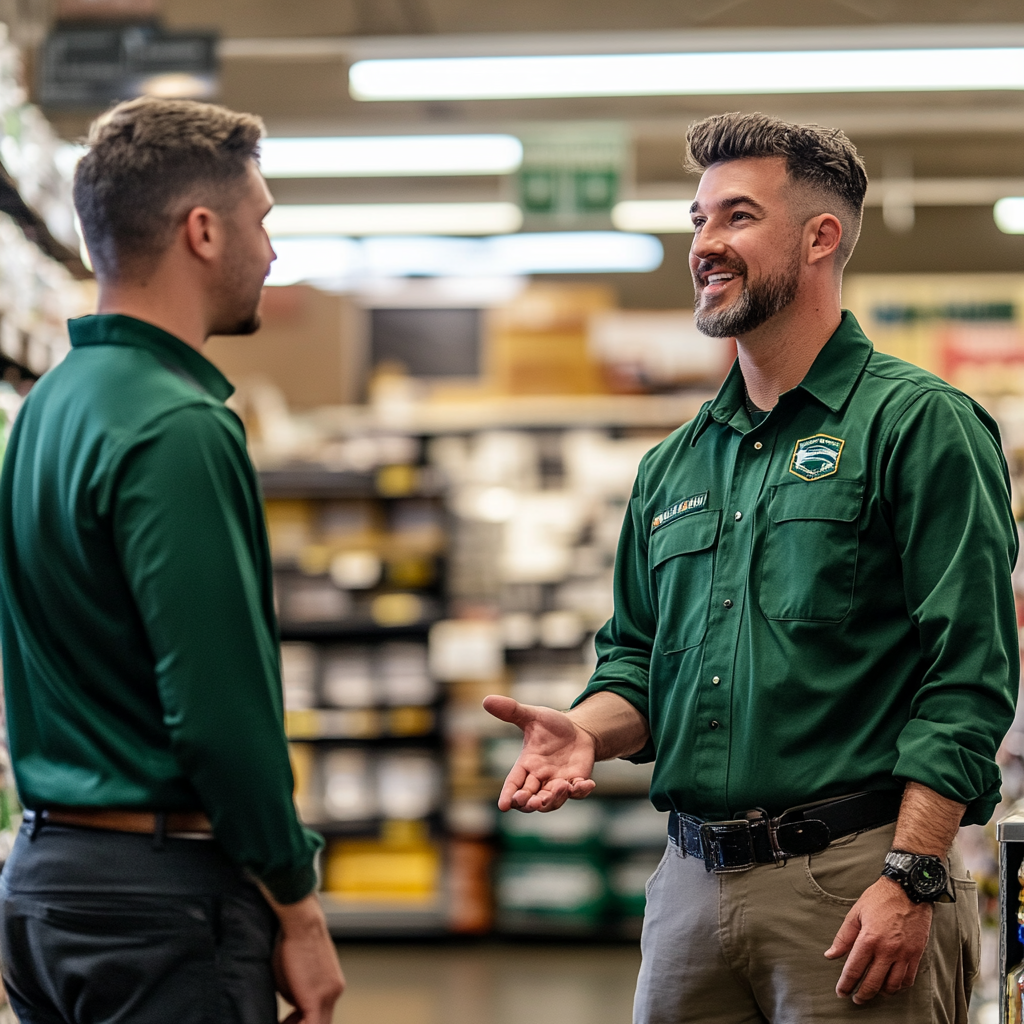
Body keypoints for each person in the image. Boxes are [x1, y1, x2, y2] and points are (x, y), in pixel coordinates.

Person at [485, 111, 1018, 1023]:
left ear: (821, 237)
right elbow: (638, 664)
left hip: (856, 883)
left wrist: (914, 870)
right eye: (697, 220)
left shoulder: (917, 425)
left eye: (736, 216)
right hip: (689, 886)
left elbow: (968, 674)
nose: (705, 244)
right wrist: (588, 730)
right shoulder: (673, 465)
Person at [0, 97, 344, 1024]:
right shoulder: (180, 424)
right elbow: (219, 707)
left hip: (45, 885)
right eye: (262, 221)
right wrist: (296, 900)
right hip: (160, 901)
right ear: (201, 230)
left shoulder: (45, 409)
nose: (271, 251)